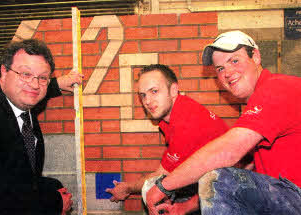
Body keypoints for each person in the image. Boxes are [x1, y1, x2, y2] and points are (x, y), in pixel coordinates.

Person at [145, 30, 301, 215]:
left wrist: (163, 186)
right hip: (284, 197)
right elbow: (243, 165)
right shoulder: (257, 104)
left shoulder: (276, 88)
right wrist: (185, 207)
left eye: (234, 61)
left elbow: (229, 151)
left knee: (218, 178)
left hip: (294, 197)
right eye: (220, 68)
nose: (227, 73)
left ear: (256, 57)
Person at [0, 39, 83, 215]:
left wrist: (56, 84)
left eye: (43, 77)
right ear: (3, 72)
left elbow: (32, 87)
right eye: (25, 74)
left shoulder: (9, 94)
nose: (35, 85)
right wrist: (55, 203)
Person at [106, 64, 228, 214]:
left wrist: (128, 187)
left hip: (231, 191)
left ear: (173, 90)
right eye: (143, 95)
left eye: (154, 91)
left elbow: (161, 175)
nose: (148, 101)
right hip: (215, 180)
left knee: (153, 189)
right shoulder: (177, 112)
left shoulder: (185, 123)